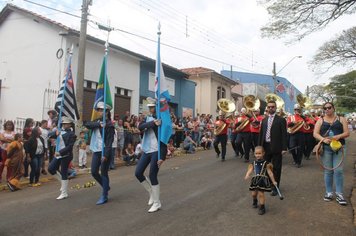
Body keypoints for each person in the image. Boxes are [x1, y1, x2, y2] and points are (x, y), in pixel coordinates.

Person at [135, 97, 167, 213]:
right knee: (138, 173)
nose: (151, 109)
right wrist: (153, 123)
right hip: (147, 150)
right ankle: (151, 193)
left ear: (157, 107)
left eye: (153, 107)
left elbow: (164, 139)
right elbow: (140, 127)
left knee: (152, 175)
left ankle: (157, 203)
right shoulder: (148, 119)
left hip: (157, 151)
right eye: (150, 107)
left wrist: (162, 157)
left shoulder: (162, 119)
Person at [313, 102, 350, 205]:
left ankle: (339, 194)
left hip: (339, 148)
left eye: (329, 107)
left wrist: (338, 137)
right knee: (328, 171)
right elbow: (315, 133)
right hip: (326, 149)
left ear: (334, 108)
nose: (327, 109)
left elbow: (347, 133)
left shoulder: (341, 119)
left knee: (338, 171)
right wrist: (323, 140)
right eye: (325, 108)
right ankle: (329, 192)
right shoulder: (321, 120)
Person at [84, 102, 115, 205]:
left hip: (105, 151)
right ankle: (106, 186)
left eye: (102, 110)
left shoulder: (110, 125)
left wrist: (106, 155)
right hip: (96, 150)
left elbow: (110, 141)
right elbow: (87, 124)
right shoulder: (96, 122)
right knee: (93, 171)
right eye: (99, 110)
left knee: (104, 172)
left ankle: (104, 195)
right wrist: (99, 124)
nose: (100, 112)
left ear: (106, 112)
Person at [258, 99, 287, 197]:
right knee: (266, 167)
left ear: (275, 108)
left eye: (272, 107)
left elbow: (284, 135)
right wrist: (259, 147)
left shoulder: (281, 120)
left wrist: (284, 148)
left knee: (276, 168)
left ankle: (275, 187)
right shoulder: (264, 120)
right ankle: (270, 184)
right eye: (269, 107)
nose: (271, 108)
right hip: (265, 147)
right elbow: (261, 134)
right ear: (267, 108)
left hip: (277, 147)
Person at [47, 117, 76, 199]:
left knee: (64, 172)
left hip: (66, 155)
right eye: (63, 123)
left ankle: (64, 193)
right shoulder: (59, 130)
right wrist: (55, 134)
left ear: (70, 124)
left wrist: (60, 152)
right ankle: (63, 184)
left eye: (66, 123)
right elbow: (49, 135)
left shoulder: (72, 134)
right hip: (58, 154)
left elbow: (70, 147)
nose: (64, 125)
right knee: (51, 169)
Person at [245, 146, 277, 215]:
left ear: (263, 153)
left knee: (261, 194)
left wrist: (274, 181)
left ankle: (262, 207)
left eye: (259, 153)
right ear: (254, 154)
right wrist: (247, 174)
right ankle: (255, 200)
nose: (258, 155)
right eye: (256, 153)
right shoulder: (253, 163)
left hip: (262, 180)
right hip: (255, 179)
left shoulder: (266, 163)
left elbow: (270, 173)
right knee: (253, 194)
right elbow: (250, 170)